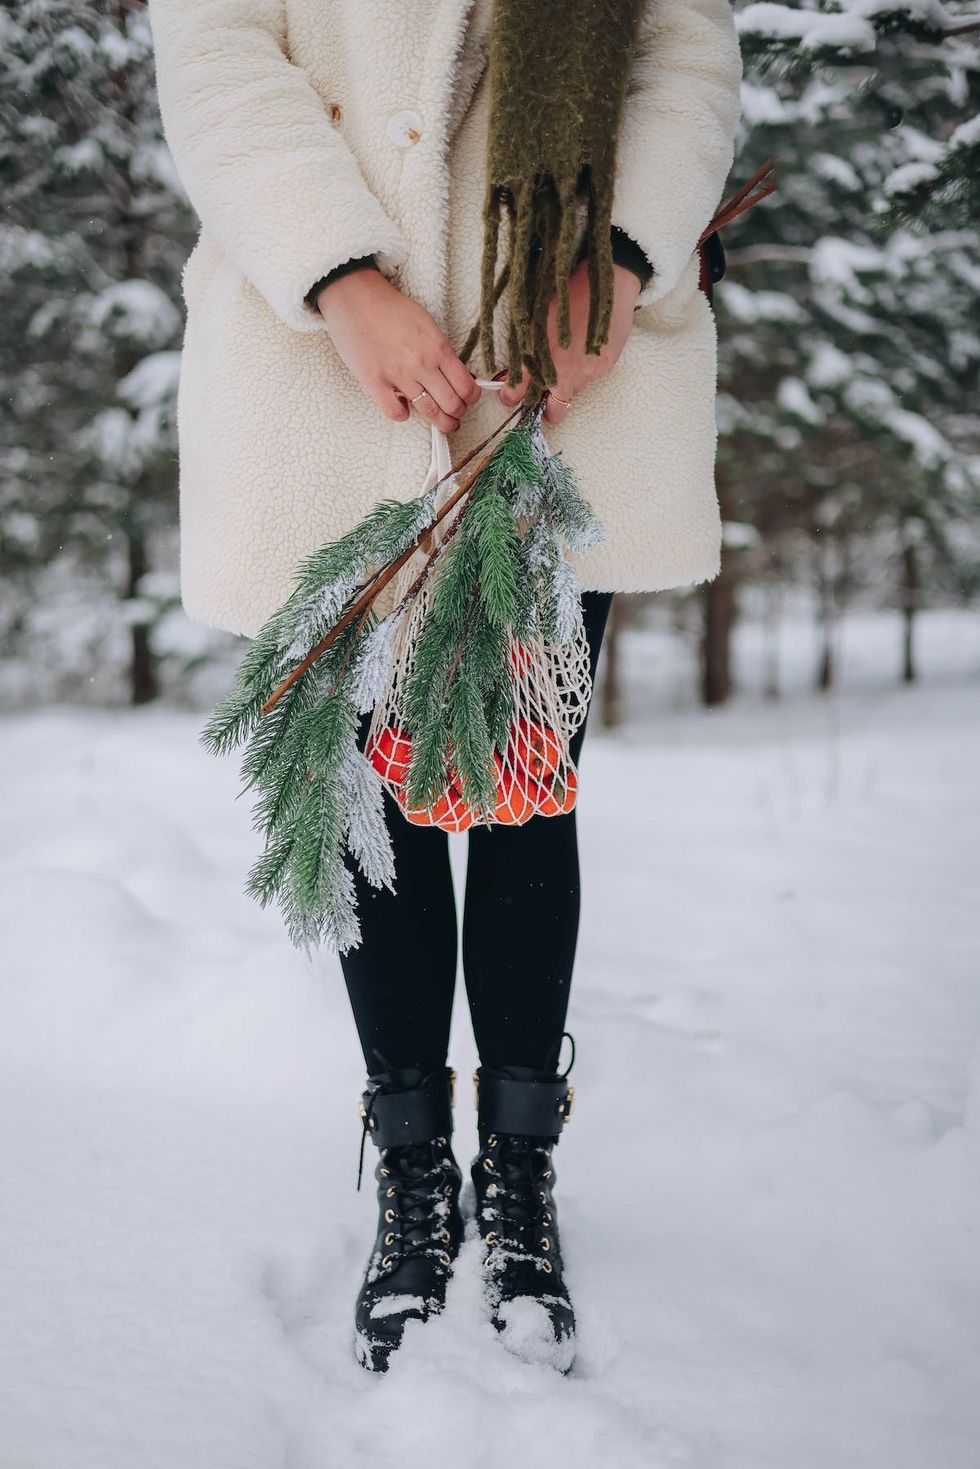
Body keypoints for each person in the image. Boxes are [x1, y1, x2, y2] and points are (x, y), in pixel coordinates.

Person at [148, 0, 742, 1374]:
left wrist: (624, 254)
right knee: (370, 797)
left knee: (526, 784)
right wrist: (338, 275)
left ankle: (519, 1173)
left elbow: (683, 44)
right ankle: (415, 1170)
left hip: (560, 358)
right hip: (332, 363)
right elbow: (217, 45)